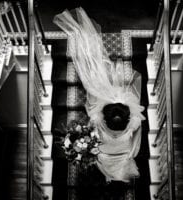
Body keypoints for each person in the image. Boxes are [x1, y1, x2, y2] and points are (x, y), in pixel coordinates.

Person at [54, 7, 145, 183]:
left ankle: (110, 175)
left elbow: (95, 131)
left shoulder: (101, 121)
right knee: (105, 160)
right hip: (111, 156)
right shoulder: (132, 124)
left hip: (111, 156)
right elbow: (135, 143)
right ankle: (111, 176)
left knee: (103, 159)